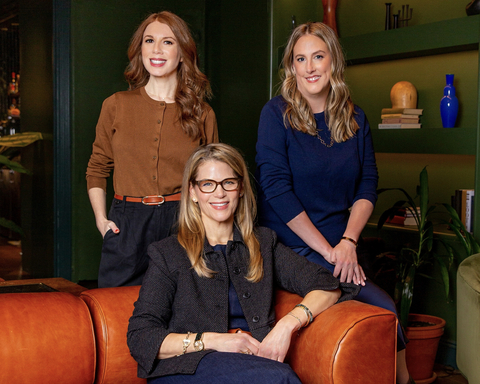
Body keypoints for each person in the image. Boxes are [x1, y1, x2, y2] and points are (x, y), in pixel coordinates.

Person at [255, 22, 413, 384]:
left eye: (318, 56)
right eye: (300, 59)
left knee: (386, 309)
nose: (310, 67)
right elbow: (276, 190)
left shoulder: (356, 118)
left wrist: (349, 242)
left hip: (340, 244)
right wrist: (330, 251)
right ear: (291, 68)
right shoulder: (275, 114)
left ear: (333, 62)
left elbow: (367, 185)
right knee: (382, 305)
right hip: (290, 243)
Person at [127, 143, 359, 383]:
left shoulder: (262, 243)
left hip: (253, 362)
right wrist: (216, 340)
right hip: (188, 369)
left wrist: (286, 325)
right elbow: (141, 336)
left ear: (240, 189)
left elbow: (327, 285)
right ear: (193, 192)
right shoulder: (168, 253)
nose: (220, 193)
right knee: (279, 379)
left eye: (229, 182)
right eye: (208, 184)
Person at [86, 11, 218, 288]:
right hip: (127, 221)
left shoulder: (202, 113)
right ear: (140, 50)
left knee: (180, 309)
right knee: (117, 310)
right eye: (149, 40)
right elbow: (98, 166)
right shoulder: (116, 104)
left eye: (168, 42)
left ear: (182, 53)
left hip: (182, 220)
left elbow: (212, 179)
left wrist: (206, 227)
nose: (156, 49)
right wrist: (101, 220)